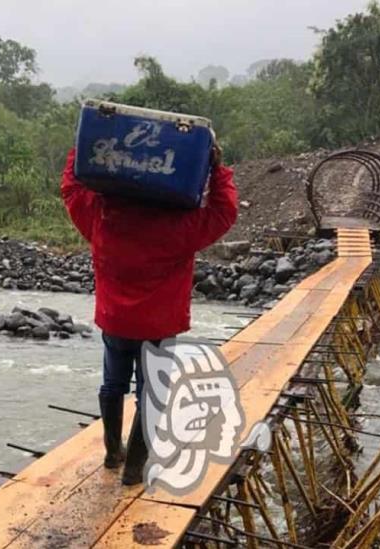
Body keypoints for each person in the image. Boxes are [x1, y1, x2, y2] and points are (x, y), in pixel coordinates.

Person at [60, 143, 238, 485]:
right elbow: (224, 210)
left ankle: (113, 452)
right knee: (149, 393)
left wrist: (82, 147)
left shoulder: (101, 216)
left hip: (114, 320)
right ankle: (133, 470)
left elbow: (71, 187)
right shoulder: (180, 226)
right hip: (159, 323)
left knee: (113, 383)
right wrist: (218, 168)